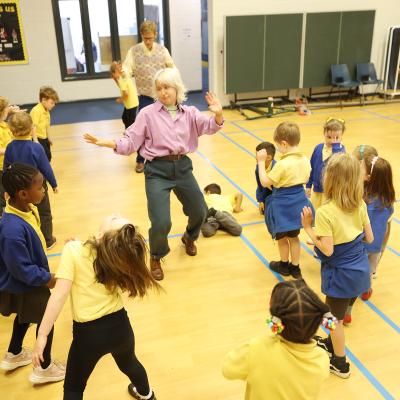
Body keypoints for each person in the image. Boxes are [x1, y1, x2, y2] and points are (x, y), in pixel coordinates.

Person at [84, 68, 223, 281]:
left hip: (183, 167)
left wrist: (218, 114)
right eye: (159, 89)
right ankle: (156, 256)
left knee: (200, 211)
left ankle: (189, 237)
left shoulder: (191, 114)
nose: (163, 92)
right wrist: (110, 143)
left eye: (167, 87)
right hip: (157, 171)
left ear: (177, 89)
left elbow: (210, 126)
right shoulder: (147, 114)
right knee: (161, 222)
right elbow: (131, 141)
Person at [32, 215, 161, 400]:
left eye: (115, 218)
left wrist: (42, 334)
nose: (115, 215)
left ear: (99, 235)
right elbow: (96, 260)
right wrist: (77, 246)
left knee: (74, 387)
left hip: (88, 337)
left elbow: (59, 295)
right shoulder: (118, 256)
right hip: (120, 329)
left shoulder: (74, 250)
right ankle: (147, 395)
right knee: (130, 364)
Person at [301, 153, 374, 378]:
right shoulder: (360, 204)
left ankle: (340, 363)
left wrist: (308, 229)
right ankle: (332, 345)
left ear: (329, 180)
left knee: (332, 320)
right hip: (361, 275)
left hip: (341, 277)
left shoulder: (325, 212)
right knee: (336, 317)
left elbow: (328, 250)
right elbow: (369, 239)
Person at [0, 163, 64, 384]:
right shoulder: (11, 230)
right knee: (46, 320)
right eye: (40, 187)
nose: (44, 190)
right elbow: (21, 268)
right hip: (28, 283)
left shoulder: (29, 209)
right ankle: (44, 368)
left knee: (25, 317)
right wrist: (47, 279)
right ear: (23, 193)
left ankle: (14, 353)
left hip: (26, 280)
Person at [222, 279, 331, 400]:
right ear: (316, 323)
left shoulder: (257, 349)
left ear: (276, 320)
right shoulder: (322, 358)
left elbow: (227, 369)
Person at [256, 122, 312, 279]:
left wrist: (261, 163)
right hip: (299, 202)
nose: (278, 149)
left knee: (282, 239)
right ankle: (295, 267)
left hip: (282, 204)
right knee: (294, 237)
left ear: (284, 144)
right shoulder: (305, 159)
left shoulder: (282, 164)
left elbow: (265, 182)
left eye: (278, 146)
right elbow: (307, 177)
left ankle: (284, 265)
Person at [123, 20, 175, 173]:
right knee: (143, 130)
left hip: (163, 96)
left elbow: (172, 68)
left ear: (155, 35)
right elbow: (127, 69)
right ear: (141, 36)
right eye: (145, 38)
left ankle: (164, 157)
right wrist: (122, 73)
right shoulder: (134, 51)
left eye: (150, 38)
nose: (148, 41)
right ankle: (140, 160)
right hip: (145, 97)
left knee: (166, 127)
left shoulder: (162, 50)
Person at [4, 112, 58, 249]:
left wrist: (7, 189)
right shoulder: (36, 147)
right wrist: (54, 184)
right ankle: (47, 240)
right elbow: (46, 168)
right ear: (31, 128)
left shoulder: (10, 147)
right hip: (36, 188)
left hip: (18, 190)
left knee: (25, 213)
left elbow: (6, 170)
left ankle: (30, 240)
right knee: (44, 212)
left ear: (11, 130)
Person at [357, 154, 395, 303]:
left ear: (368, 177)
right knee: (370, 269)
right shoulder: (388, 201)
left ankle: (350, 296)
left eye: (361, 168)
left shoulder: (361, 199)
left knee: (356, 268)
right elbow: (387, 223)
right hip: (376, 246)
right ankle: (366, 290)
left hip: (358, 244)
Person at [306, 118, 346, 209]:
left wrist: (336, 147)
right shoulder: (318, 148)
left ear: (341, 136)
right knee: (315, 212)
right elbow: (312, 168)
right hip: (317, 191)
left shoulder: (341, 151)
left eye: (336, 138)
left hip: (331, 192)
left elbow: (338, 165)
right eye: (329, 137)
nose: (332, 141)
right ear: (324, 134)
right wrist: (308, 185)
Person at [30, 86, 59, 162]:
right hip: (37, 138)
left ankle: (44, 171)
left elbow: (47, 126)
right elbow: (33, 127)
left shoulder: (46, 111)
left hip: (44, 138)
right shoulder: (36, 111)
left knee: (48, 156)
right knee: (40, 159)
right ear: (43, 100)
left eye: (54, 103)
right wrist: (35, 141)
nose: (54, 105)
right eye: (52, 103)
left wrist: (48, 138)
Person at [110, 61, 139, 131]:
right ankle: (128, 133)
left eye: (112, 74)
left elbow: (126, 94)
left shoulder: (122, 79)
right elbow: (122, 87)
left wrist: (121, 99)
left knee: (130, 122)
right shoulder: (122, 76)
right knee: (125, 118)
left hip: (131, 103)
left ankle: (131, 136)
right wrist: (115, 80)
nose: (112, 76)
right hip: (130, 103)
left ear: (115, 72)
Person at [0, 97, 13, 216]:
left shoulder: (4, 124)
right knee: (3, 199)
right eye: (6, 109)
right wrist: (11, 150)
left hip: (7, 166)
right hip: (0, 169)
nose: (8, 111)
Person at [255, 141, 276, 215]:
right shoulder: (258, 168)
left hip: (279, 194)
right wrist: (260, 201)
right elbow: (260, 186)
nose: (256, 158)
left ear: (269, 157)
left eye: (258, 156)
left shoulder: (277, 168)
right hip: (268, 193)